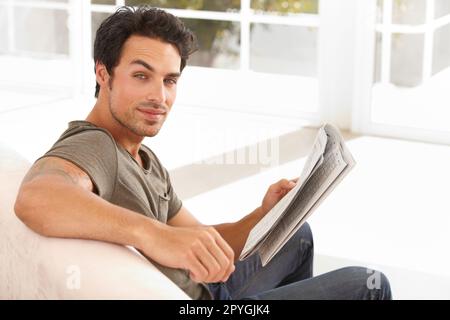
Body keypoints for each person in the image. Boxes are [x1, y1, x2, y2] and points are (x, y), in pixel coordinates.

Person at [14, 5, 391, 300]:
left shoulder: (141, 154)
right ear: (103, 74)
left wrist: (263, 215)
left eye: (169, 80)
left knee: (297, 235)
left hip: (210, 288)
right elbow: (37, 196)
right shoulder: (94, 144)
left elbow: (203, 237)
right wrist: (152, 235)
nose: (159, 97)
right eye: (141, 76)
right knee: (369, 286)